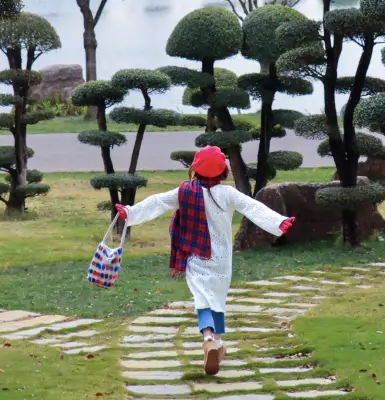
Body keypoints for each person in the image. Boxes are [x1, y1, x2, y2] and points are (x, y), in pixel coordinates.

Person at [115, 145, 295, 376]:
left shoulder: (184, 191)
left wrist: (130, 213)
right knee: (217, 299)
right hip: (221, 259)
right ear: (223, 172)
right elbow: (252, 206)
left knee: (203, 299)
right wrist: (277, 221)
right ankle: (218, 345)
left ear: (194, 169)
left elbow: (157, 202)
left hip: (196, 255)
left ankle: (208, 338)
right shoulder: (227, 194)